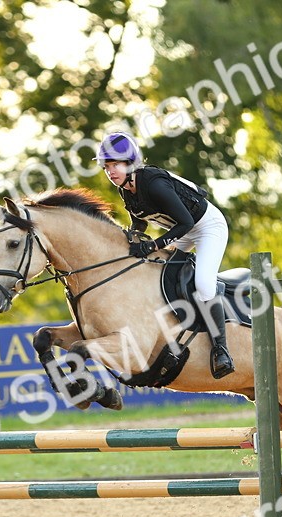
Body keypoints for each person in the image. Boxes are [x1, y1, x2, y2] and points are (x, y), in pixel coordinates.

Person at [94, 131, 235, 379]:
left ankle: (221, 349)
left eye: (115, 164)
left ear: (130, 163)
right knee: (157, 275)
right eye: (107, 167)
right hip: (182, 229)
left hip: (207, 227)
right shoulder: (126, 188)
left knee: (203, 283)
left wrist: (153, 245)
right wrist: (130, 241)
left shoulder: (153, 184)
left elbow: (186, 222)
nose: (111, 171)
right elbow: (139, 223)